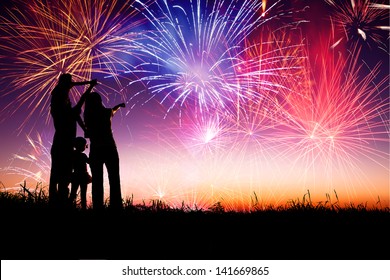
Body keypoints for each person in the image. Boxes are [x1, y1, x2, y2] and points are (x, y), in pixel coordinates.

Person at [49, 73, 97, 207]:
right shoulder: (61, 105)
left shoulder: (63, 105)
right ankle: (58, 204)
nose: (71, 85)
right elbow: (79, 104)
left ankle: (58, 203)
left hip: (63, 144)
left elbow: (77, 115)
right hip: (62, 144)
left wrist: (88, 83)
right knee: (60, 176)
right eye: (69, 83)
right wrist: (89, 86)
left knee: (61, 176)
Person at [84, 92, 125, 210]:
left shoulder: (88, 116)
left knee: (97, 180)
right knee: (114, 178)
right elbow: (113, 110)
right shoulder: (106, 112)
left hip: (96, 149)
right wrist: (119, 106)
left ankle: (98, 207)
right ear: (100, 100)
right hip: (110, 148)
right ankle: (116, 207)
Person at [69, 136, 92, 210]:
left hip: (75, 175)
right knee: (83, 193)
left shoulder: (72, 154)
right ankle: (83, 208)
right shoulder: (83, 155)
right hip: (83, 176)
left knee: (73, 192)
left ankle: (68, 206)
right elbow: (89, 161)